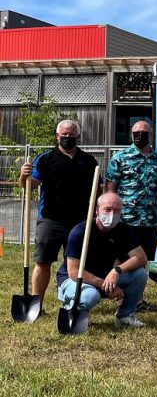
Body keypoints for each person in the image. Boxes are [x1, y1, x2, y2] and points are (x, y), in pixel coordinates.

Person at [18, 119, 100, 308]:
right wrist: (23, 176)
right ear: (57, 136)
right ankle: (36, 304)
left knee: (77, 265)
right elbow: (29, 186)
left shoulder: (88, 161)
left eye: (71, 135)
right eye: (64, 135)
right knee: (43, 262)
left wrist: (96, 210)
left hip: (79, 221)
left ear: (78, 137)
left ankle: (74, 301)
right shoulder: (45, 159)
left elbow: (97, 189)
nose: (67, 138)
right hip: (50, 219)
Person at [56, 192, 149, 327]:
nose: (112, 214)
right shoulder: (80, 231)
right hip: (74, 280)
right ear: (97, 210)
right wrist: (105, 285)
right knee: (90, 296)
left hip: (105, 277)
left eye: (116, 210)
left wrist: (116, 271)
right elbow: (74, 272)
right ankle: (72, 307)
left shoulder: (123, 230)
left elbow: (141, 258)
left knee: (139, 274)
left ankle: (125, 316)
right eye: (107, 209)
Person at [106, 120, 157, 312]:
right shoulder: (120, 158)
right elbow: (110, 188)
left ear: (150, 135)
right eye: (135, 133)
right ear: (131, 135)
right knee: (121, 258)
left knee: (142, 261)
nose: (139, 136)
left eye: (143, 132)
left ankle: (137, 299)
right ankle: (117, 293)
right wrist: (111, 214)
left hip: (149, 219)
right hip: (125, 219)